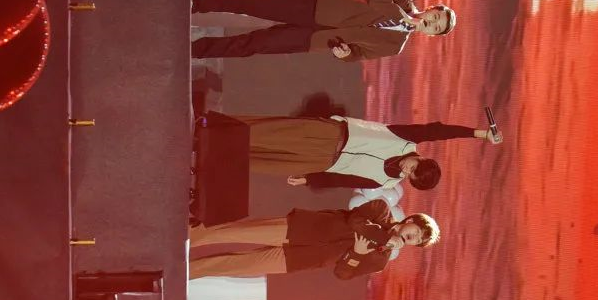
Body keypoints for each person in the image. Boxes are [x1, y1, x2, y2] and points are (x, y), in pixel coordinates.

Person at [197, 112, 500, 196]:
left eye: (410, 177)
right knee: (263, 132)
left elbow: (344, 181)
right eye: (413, 167)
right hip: (331, 134)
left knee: (261, 160)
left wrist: (311, 179)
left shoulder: (386, 183)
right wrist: (480, 134)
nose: (406, 171)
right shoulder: (407, 139)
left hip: (323, 161)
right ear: (420, 157)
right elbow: (439, 130)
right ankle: (208, 127)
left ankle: (205, 152)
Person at [189, 0, 456, 63]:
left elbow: (359, 55)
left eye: (435, 27)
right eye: (434, 17)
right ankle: (199, 4)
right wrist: (404, 16)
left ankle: (195, 50)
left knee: (256, 44)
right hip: (318, 5)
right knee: (255, 4)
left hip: (317, 40)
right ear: (430, 8)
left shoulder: (394, 47)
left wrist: (345, 54)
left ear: (431, 35)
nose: (430, 23)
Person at [187, 201, 440, 280]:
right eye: (417, 231)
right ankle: (186, 236)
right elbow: (356, 221)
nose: (414, 238)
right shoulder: (381, 210)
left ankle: (188, 272)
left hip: (300, 259)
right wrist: (385, 236)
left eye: (418, 241)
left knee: (238, 265)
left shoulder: (380, 260)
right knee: (234, 232)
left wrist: (357, 253)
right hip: (301, 229)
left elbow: (343, 273)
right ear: (410, 220)